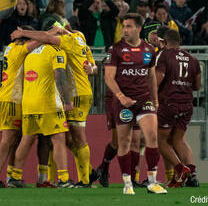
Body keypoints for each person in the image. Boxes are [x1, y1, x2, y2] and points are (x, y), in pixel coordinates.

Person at [11, 26, 98, 188]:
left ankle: (84, 180)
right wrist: (91, 69)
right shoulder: (78, 43)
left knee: (72, 137)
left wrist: (23, 33)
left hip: (74, 94)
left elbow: (47, 37)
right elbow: (94, 67)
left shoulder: (66, 42)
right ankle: (71, 177)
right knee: (64, 139)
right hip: (62, 96)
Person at [104, 13, 167, 194]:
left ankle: (152, 182)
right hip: (124, 102)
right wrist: (120, 96)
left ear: (138, 29)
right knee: (124, 142)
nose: (125, 30)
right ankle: (127, 184)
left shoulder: (149, 50)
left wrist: (155, 100)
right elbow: (108, 77)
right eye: (124, 26)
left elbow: (151, 77)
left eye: (129, 26)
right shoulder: (115, 50)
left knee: (152, 137)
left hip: (144, 99)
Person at [7, 40, 74, 188]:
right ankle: (63, 178)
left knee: (27, 140)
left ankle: (15, 177)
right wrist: (67, 100)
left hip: (28, 103)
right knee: (58, 139)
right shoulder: (56, 51)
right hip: (47, 103)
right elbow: (59, 75)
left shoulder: (31, 53)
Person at [0, 26, 40, 188]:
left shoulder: (10, 48)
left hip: (5, 97)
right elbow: (39, 41)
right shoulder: (19, 50)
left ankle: (10, 175)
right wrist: (56, 32)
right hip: (11, 99)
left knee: (14, 139)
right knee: (8, 139)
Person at [156, 29, 201, 187]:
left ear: (166, 42)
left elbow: (158, 79)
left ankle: (181, 169)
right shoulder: (192, 59)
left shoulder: (164, 55)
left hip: (169, 103)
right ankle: (192, 175)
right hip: (187, 104)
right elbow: (197, 85)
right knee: (178, 139)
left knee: (160, 140)